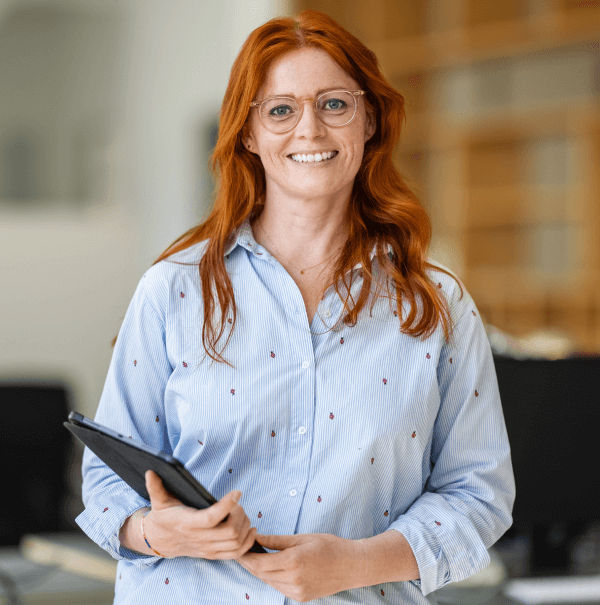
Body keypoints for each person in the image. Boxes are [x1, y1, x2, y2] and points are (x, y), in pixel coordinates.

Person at [77, 10, 515, 604]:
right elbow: (106, 482)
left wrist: (359, 564)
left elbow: (480, 494)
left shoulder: (436, 306)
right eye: (280, 109)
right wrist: (157, 531)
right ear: (249, 134)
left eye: (334, 103)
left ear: (369, 121)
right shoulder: (173, 290)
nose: (309, 128)